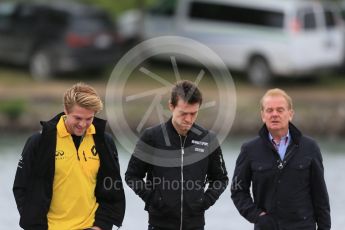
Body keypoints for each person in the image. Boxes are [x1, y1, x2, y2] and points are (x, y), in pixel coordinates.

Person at [13, 82, 125, 230]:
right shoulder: (39, 142)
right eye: (77, 118)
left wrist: (101, 226)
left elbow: (112, 186)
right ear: (65, 110)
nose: (83, 124)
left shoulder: (104, 141)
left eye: (89, 118)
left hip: (90, 226)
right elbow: (21, 187)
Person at [125, 80, 228, 230]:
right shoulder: (151, 137)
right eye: (183, 113)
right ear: (171, 106)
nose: (188, 119)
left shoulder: (208, 139)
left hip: (195, 224)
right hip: (159, 224)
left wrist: (204, 202)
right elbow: (132, 176)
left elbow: (220, 179)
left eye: (193, 113)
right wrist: (154, 200)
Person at [231, 88, 331, 230]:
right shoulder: (249, 150)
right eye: (269, 110)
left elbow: (320, 196)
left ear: (290, 114)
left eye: (280, 110)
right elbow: (238, 191)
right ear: (262, 115)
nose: (274, 115)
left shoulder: (310, 147)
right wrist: (257, 216)